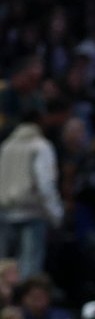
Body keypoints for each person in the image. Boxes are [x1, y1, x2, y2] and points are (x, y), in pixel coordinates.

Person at [0, 109, 62, 278]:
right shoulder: (41, 146)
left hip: (5, 212)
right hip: (32, 213)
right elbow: (45, 183)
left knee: (4, 269)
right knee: (29, 272)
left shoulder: (7, 146)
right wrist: (56, 214)